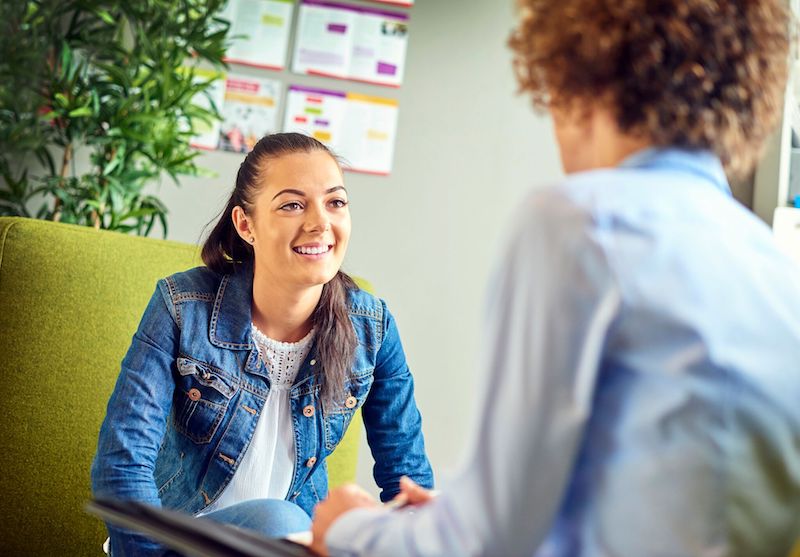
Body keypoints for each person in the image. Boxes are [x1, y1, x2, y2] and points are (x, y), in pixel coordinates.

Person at [309, 1, 800, 556]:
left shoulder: (581, 221)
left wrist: (347, 527)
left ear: (579, 76)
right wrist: (453, 515)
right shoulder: (779, 271)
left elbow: (484, 543)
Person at [90, 132, 433, 556]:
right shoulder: (182, 306)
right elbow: (122, 463)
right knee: (279, 520)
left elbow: (407, 479)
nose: (320, 223)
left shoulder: (372, 327)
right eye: (292, 205)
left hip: (290, 546)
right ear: (245, 225)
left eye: (335, 202)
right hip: (177, 544)